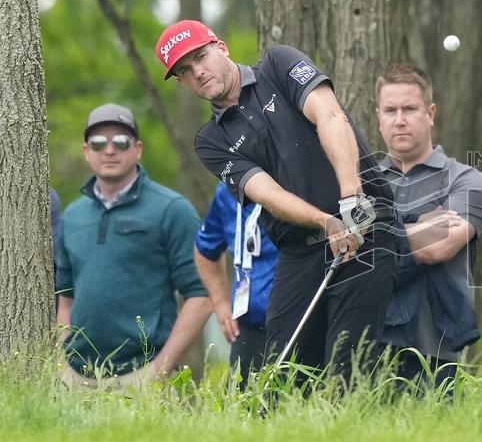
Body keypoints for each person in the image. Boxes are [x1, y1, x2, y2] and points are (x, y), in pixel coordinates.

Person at [156, 20, 399, 385]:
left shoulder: (278, 64)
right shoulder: (211, 140)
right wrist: (326, 221)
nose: (199, 72)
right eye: (186, 71)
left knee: (348, 368)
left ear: (221, 47)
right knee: (282, 377)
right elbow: (268, 194)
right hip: (301, 250)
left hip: (367, 225)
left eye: (201, 57)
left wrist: (351, 198)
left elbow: (330, 116)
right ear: (181, 83)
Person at [55, 104, 212, 388]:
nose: (109, 150)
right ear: (87, 151)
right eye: (99, 143)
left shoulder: (172, 210)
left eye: (121, 141)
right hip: (77, 379)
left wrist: (158, 370)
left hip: (142, 376)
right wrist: (64, 363)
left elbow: (202, 295)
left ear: (137, 149)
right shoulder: (73, 216)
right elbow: (66, 297)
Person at [375, 64, 482, 387]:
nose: (399, 120)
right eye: (390, 110)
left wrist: (376, 236)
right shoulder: (361, 183)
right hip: (368, 345)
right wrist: (419, 226)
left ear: (430, 113)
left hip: (436, 351)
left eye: (409, 109)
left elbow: (441, 246)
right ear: (379, 116)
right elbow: (345, 250)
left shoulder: (465, 179)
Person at [194, 181, 279, 387]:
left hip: (298, 322)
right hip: (248, 326)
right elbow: (205, 248)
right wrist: (221, 303)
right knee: (244, 403)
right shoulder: (228, 189)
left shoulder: (293, 180)